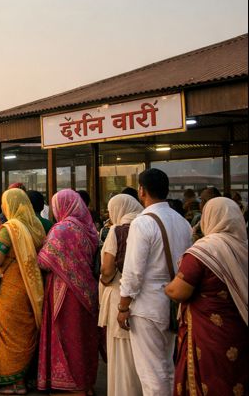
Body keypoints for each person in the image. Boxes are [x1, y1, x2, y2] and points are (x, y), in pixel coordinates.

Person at [118, 168, 192, 396]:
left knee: (151, 372)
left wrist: (123, 306)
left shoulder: (143, 223)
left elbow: (133, 272)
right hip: (173, 301)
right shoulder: (182, 222)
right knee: (167, 366)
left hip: (147, 304)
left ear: (141, 190)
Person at [164, 197, 248, 395]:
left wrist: (165, 288)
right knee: (236, 380)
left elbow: (179, 291)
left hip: (209, 335)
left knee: (213, 380)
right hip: (238, 329)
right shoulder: (243, 248)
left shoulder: (204, 251)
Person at [0, 188, 45, 394]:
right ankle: (28, 378)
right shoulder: (36, 226)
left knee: (10, 335)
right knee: (26, 332)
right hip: (31, 287)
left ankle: (14, 383)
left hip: (11, 288)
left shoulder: (10, 228)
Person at [36, 189, 100, 394]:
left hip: (65, 290)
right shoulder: (87, 228)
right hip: (87, 289)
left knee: (68, 334)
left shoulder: (61, 229)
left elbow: (44, 261)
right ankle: (86, 383)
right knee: (83, 336)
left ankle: (74, 385)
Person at [99, 194, 144, 396]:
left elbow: (107, 270)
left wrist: (102, 280)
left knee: (122, 356)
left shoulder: (117, 230)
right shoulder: (148, 224)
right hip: (146, 299)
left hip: (120, 297)